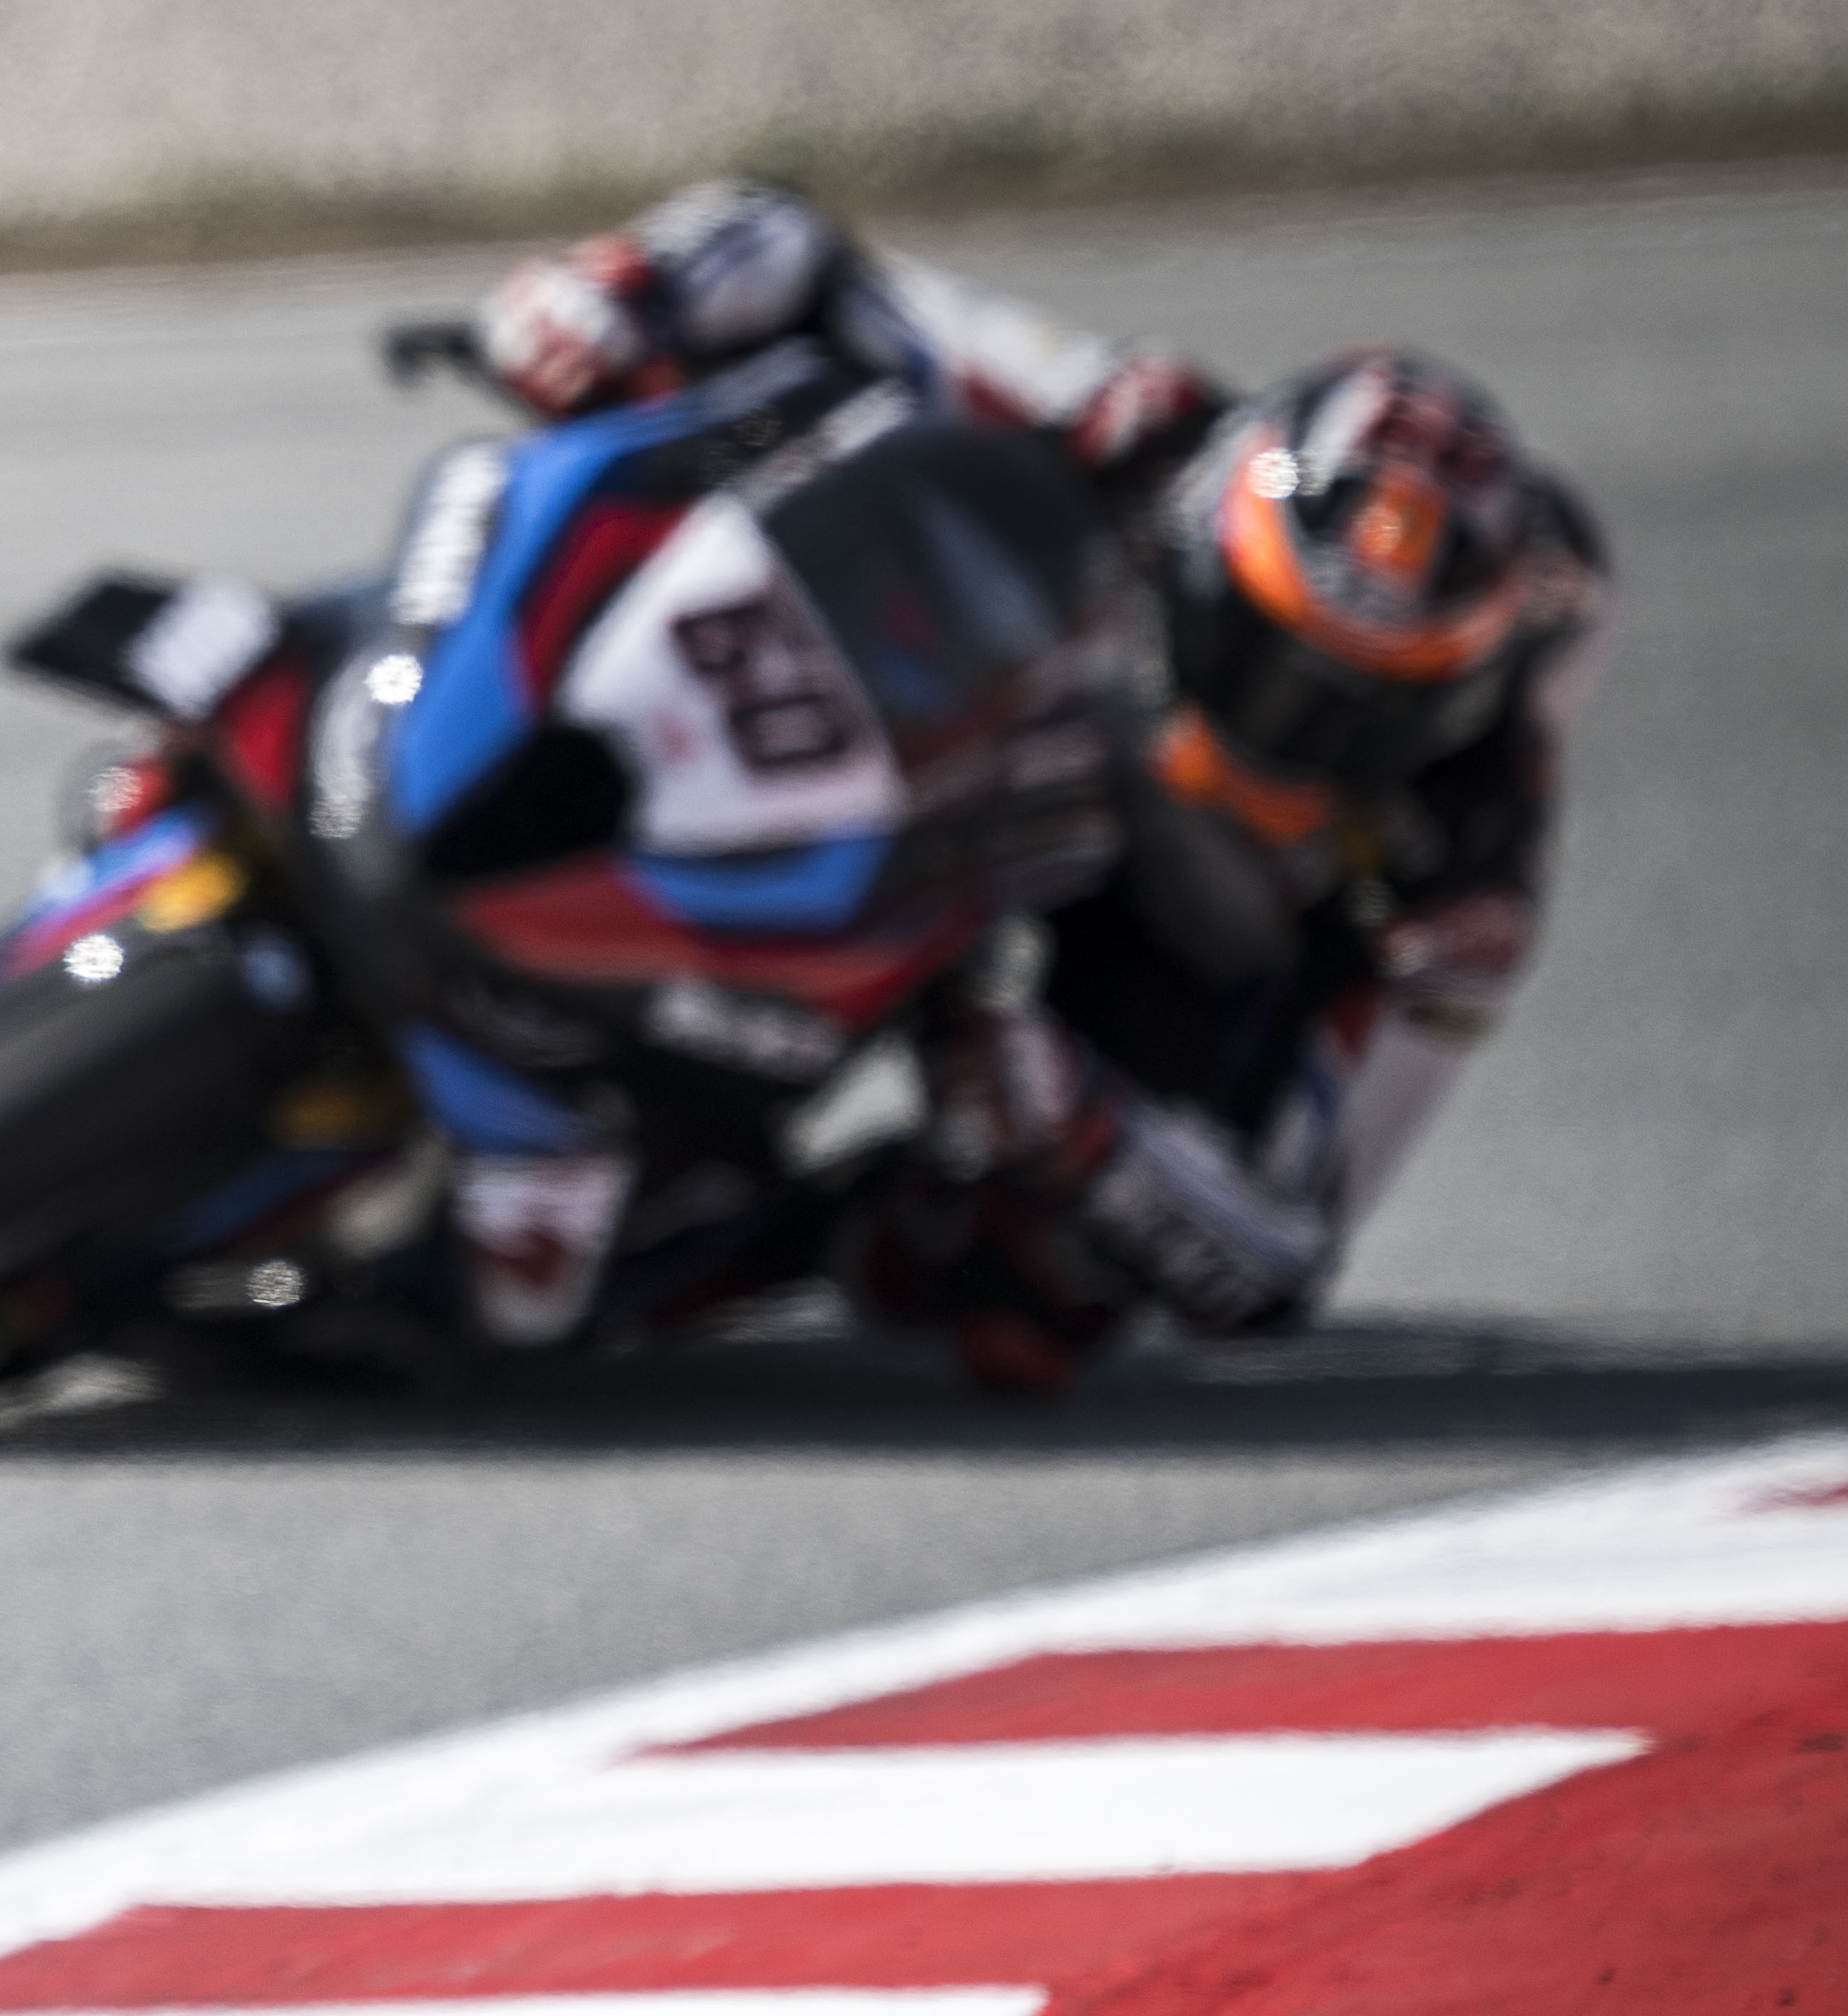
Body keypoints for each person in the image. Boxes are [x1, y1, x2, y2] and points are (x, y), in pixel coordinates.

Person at [467, 182, 1614, 1387]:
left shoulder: (1466, 878)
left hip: (1139, 942)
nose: (1283, 721)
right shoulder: (1141, 423)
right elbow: (806, 252)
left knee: (1045, 1291)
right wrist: (625, 286)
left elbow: (1283, 1251)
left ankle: (801, 1225)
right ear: (1211, 533)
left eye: (1355, 709)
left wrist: (1079, 1121)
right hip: (914, 731)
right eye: (1265, 655)